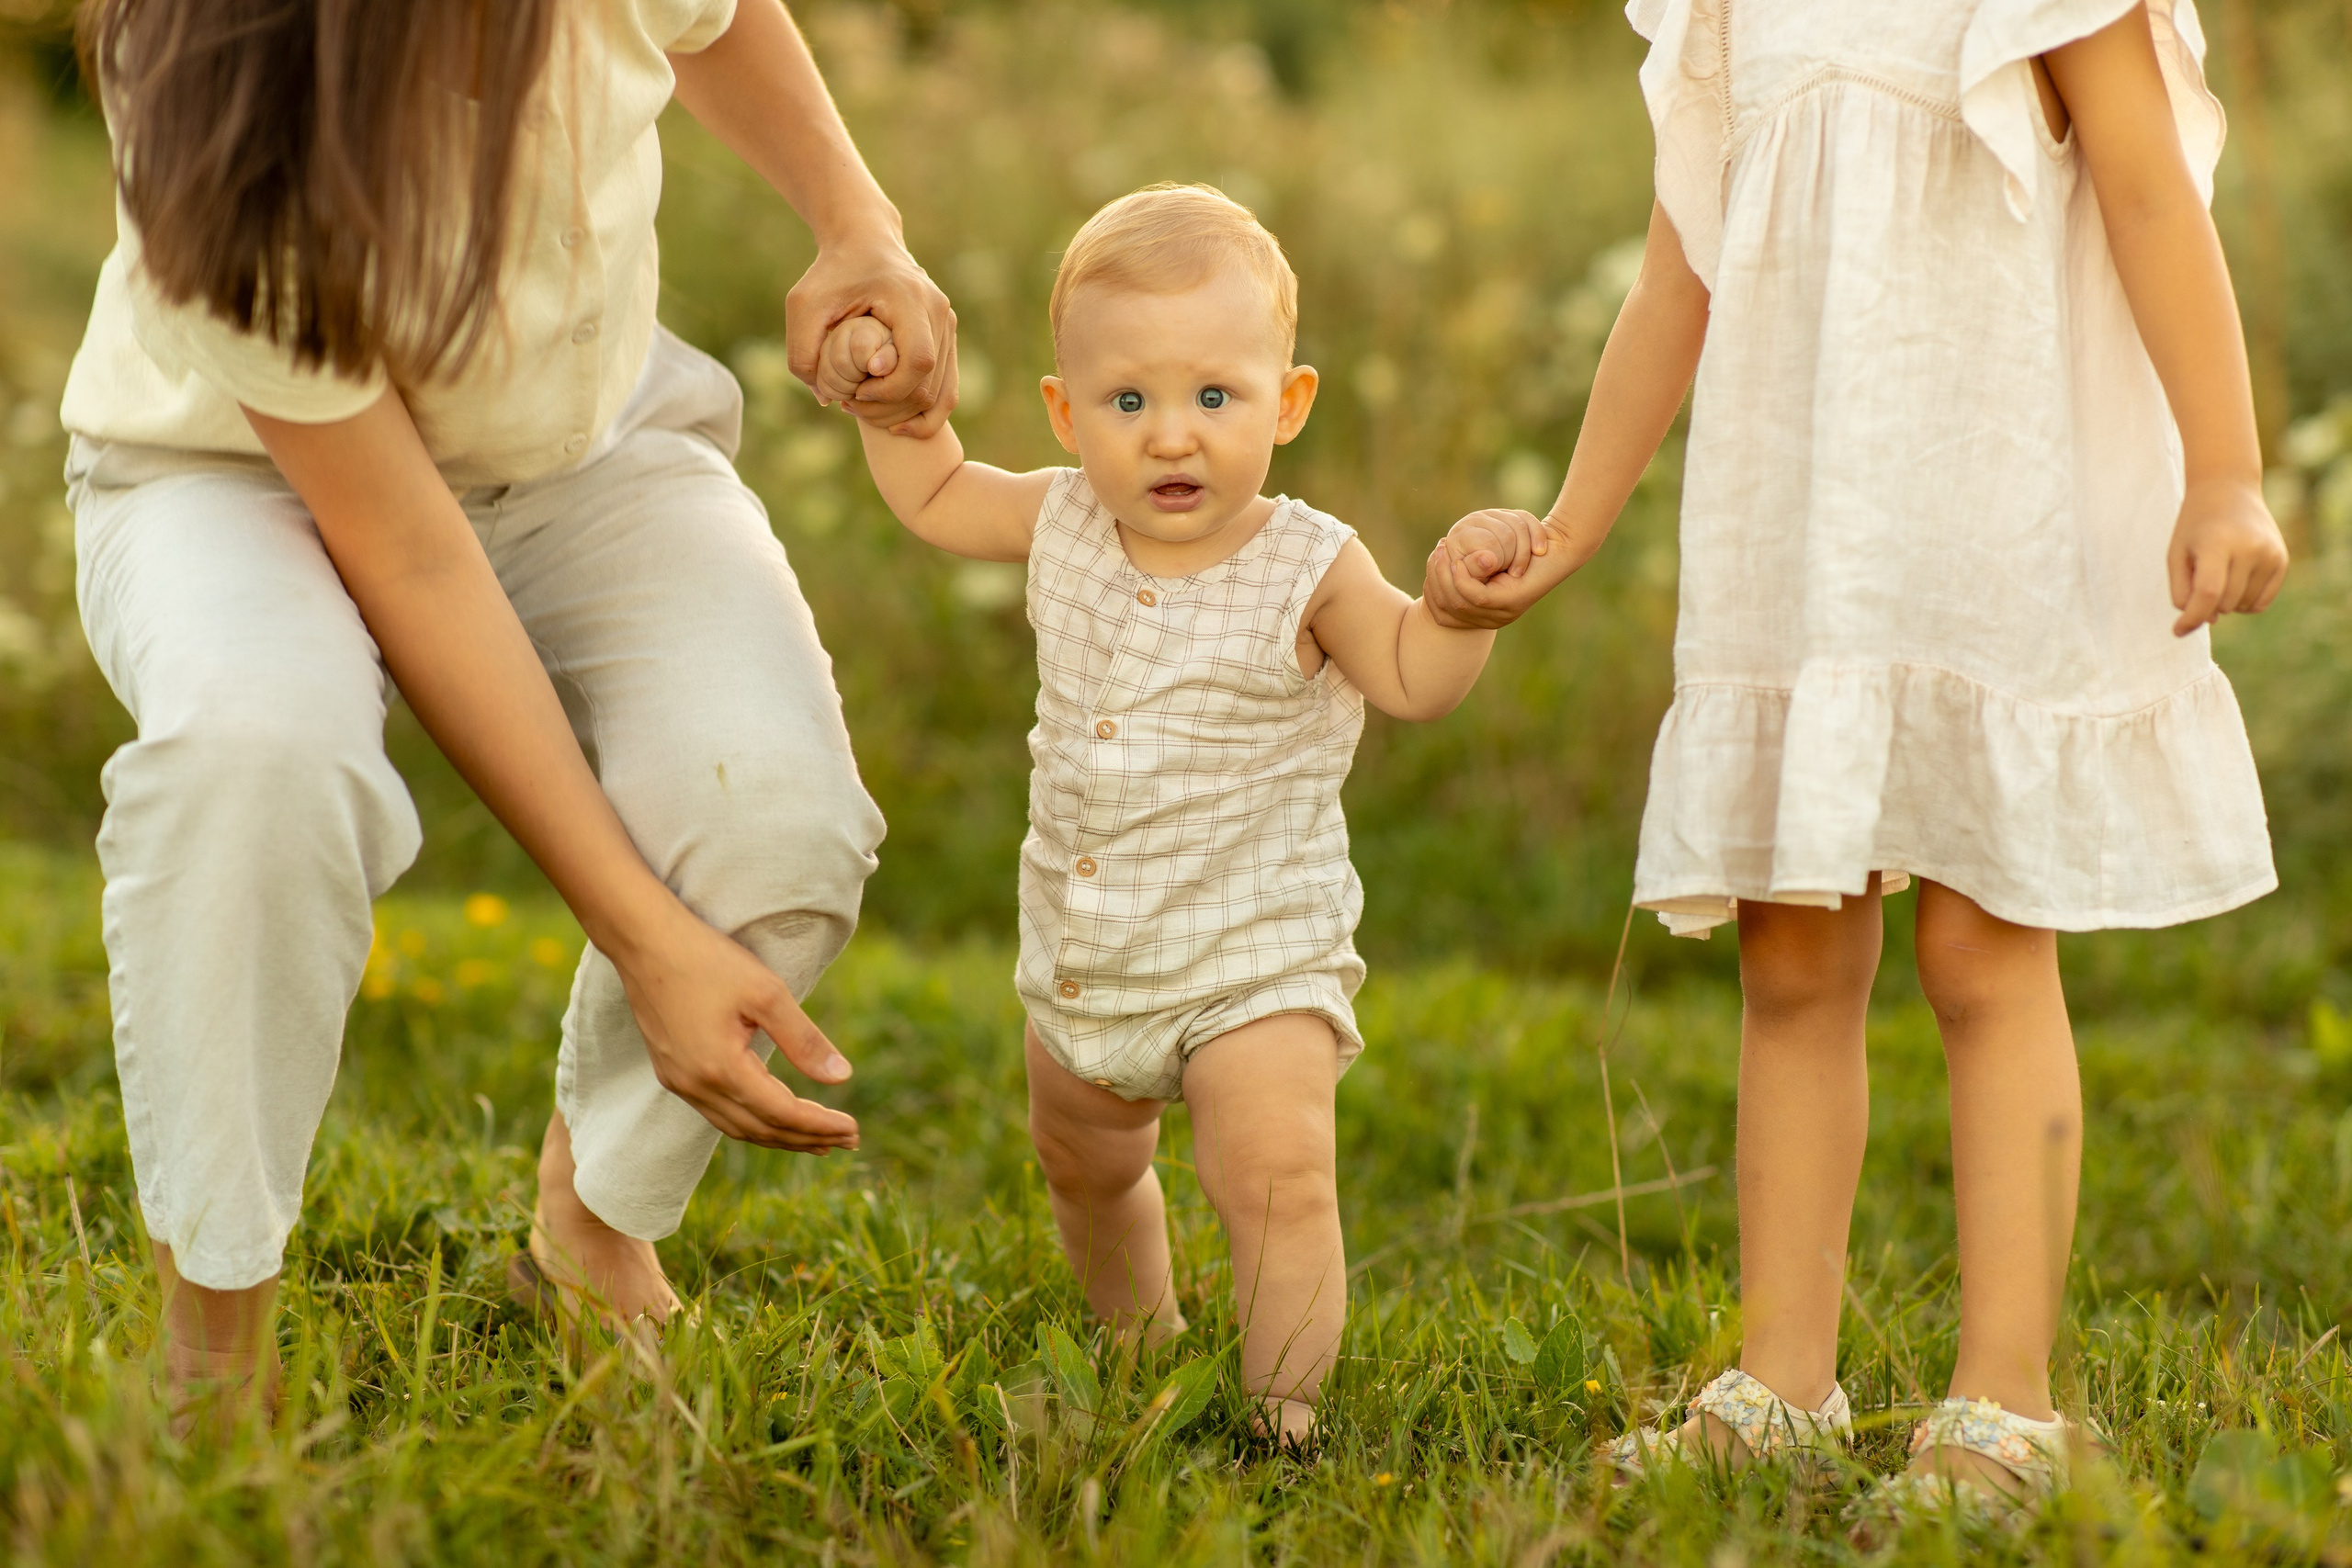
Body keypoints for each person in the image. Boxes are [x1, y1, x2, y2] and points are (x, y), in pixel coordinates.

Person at [1428, 0, 2286, 1514]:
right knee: (1793, 957)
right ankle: (1784, 1386)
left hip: (1991, 536)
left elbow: (2154, 196)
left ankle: (2005, 1408)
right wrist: (1569, 522)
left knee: (1983, 954)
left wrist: (2224, 468)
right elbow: (1679, 269)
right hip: (1802, 545)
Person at [60, 0, 954, 1413]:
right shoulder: (211, 97)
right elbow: (414, 563)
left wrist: (858, 222)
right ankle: (212, 1337)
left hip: (574, 441)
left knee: (777, 821)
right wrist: (643, 935)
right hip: (230, 473)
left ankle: (589, 1228)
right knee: (258, 759)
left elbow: (714, 21)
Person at [831, 185, 1497, 1446]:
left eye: (1215, 397)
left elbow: (1412, 680)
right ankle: (1140, 1338)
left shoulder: (1310, 563)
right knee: (1088, 1168)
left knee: (1276, 1179)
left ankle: (1282, 1410)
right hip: (1090, 962)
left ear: (1286, 403)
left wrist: (1458, 614)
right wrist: (892, 405)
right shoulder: (1059, 518)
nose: (1172, 437)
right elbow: (931, 494)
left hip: (1255, 956)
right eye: (1128, 403)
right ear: (1066, 412)